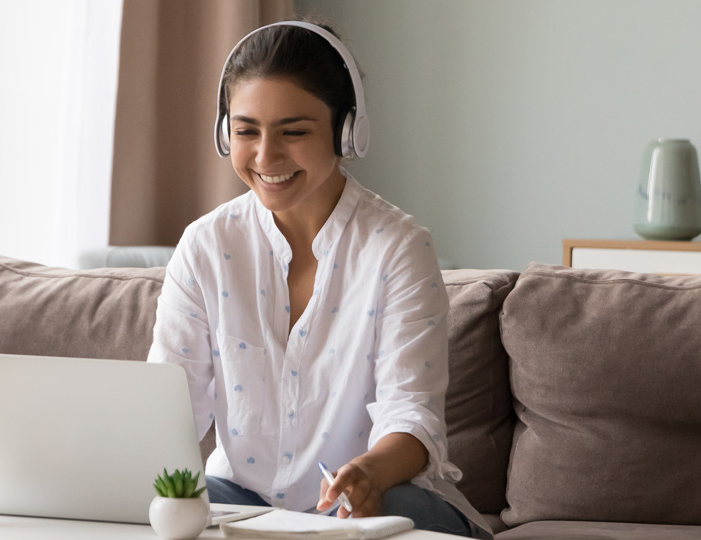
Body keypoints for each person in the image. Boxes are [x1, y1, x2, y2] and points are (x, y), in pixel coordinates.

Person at [144, 18, 486, 538]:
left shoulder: (397, 248)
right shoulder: (205, 247)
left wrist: (369, 472)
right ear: (224, 133)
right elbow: (165, 413)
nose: (265, 156)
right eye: (245, 131)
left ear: (348, 131)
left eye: (294, 131)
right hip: (240, 500)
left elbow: (411, 417)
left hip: (373, 502)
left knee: (391, 510)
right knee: (167, 506)